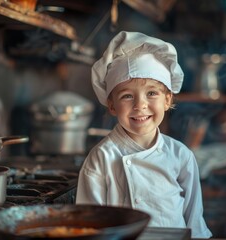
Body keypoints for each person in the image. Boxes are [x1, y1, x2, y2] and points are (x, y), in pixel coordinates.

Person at [76, 31, 212, 239]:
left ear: (167, 100)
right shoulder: (101, 158)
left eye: (152, 93)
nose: (140, 105)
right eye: (127, 96)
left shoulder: (181, 155)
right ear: (111, 105)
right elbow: (89, 225)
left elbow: (194, 221)